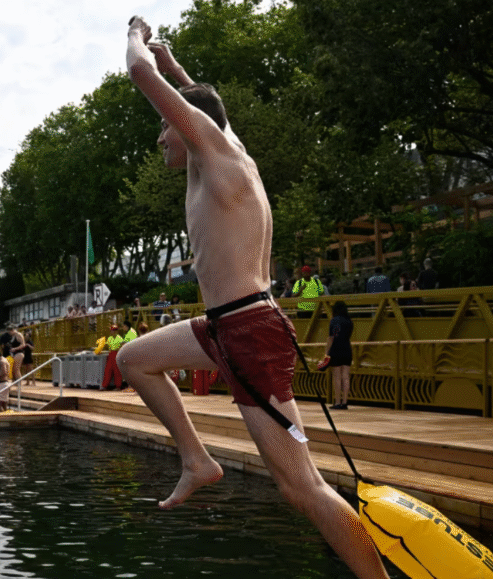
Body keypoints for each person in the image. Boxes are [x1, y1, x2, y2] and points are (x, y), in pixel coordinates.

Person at [120, 18, 387, 578]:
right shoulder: (226, 149)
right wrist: (178, 69)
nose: (160, 135)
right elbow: (210, 106)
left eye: (167, 125)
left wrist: (138, 37)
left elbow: (141, 73)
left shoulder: (215, 156)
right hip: (224, 327)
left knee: (303, 487)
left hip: (248, 332)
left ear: (189, 124)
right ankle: (196, 459)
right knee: (133, 360)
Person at [324, 301, 354, 410]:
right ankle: (345, 402)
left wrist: (326, 353)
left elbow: (331, 337)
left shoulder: (334, 320)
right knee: (346, 376)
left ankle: (337, 402)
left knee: (337, 376)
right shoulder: (349, 321)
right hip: (347, 348)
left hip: (336, 349)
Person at [101, 325, 125, 390]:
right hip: (111, 354)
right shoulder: (110, 338)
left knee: (117, 371)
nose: (113, 332)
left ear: (117, 331)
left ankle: (118, 386)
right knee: (108, 370)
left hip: (117, 353)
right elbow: (106, 345)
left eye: (114, 330)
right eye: (112, 330)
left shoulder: (119, 338)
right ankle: (104, 386)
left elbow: (122, 346)